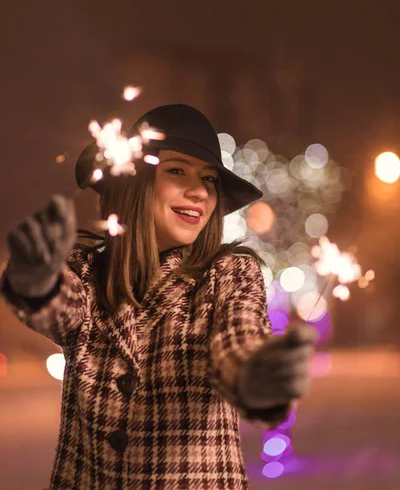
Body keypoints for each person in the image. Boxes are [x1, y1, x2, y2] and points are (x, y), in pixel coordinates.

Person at [0, 104, 316, 490]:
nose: (199, 191)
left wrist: (257, 376)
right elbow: (57, 307)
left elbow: (239, 340)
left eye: (210, 179)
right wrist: (34, 279)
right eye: (177, 170)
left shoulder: (227, 275)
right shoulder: (86, 274)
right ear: (134, 181)